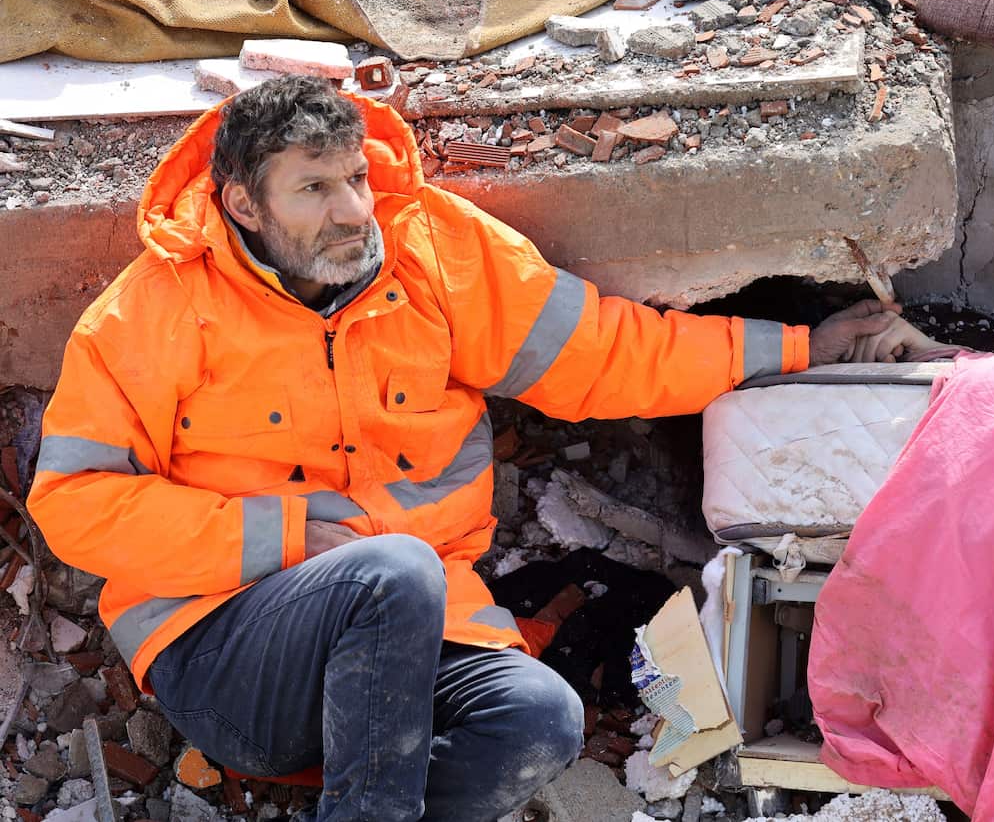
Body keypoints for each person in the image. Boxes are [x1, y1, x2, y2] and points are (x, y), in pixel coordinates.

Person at [27, 76, 946, 822]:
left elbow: (609, 353)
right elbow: (72, 503)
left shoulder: (434, 253)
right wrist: (285, 537)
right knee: (393, 571)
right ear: (242, 203)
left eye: (355, 177)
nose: (354, 210)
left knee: (541, 723)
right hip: (226, 652)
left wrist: (798, 347)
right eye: (314, 188)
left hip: (414, 625)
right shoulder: (150, 308)